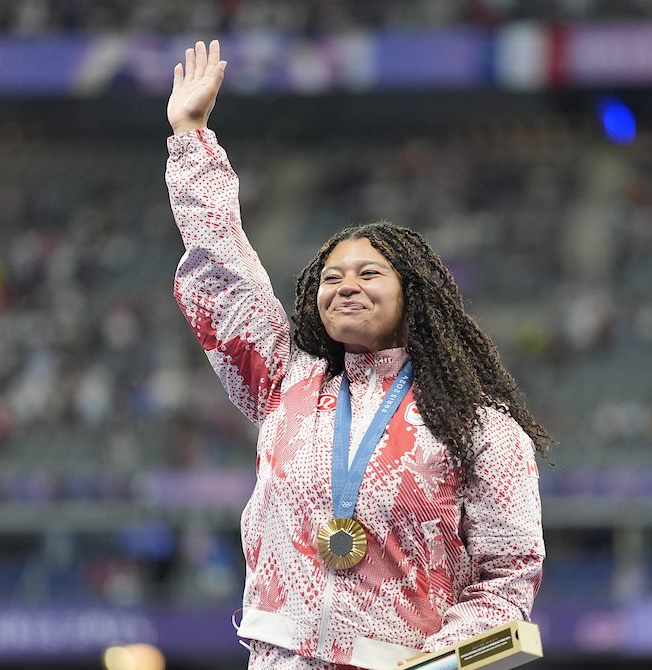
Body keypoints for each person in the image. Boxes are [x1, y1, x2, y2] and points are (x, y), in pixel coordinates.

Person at [165, 40, 550, 670]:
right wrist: (191, 137)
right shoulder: (285, 382)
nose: (346, 285)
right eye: (331, 276)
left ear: (415, 295)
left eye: (369, 274)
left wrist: (437, 663)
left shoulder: (483, 430)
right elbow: (224, 272)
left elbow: (507, 579)